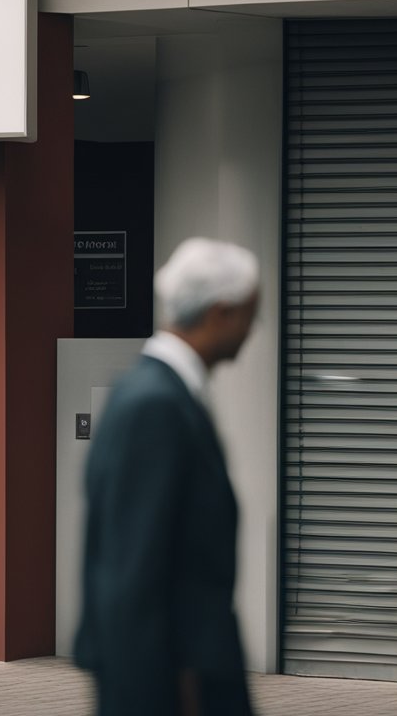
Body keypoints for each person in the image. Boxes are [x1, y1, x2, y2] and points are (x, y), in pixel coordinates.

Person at [75, 237, 259, 716]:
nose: (254, 328)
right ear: (222, 313)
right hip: (172, 686)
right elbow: (133, 571)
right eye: (250, 314)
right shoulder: (156, 403)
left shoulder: (156, 392)